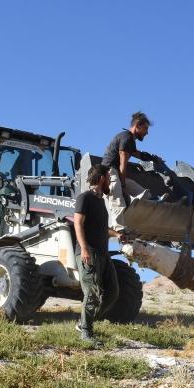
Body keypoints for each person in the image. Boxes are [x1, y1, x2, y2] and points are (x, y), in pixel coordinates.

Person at [73, 163, 120, 343]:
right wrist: (84, 248)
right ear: (101, 179)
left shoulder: (100, 201)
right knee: (92, 293)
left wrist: (118, 235)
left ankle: (84, 322)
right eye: (108, 178)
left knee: (113, 292)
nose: (110, 181)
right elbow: (78, 223)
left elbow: (101, 228)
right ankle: (86, 331)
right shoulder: (84, 198)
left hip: (103, 254)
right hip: (89, 252)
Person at [101, 111, 162, 231]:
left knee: (137, 188)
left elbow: (138, 154)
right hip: (109, 172)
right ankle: (119, 230)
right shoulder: (126, 137)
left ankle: (149, 200)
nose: (147, 133)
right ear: (137, 125)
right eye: (145, 129)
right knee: (117, 200)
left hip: (116, 173)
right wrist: (122, 184)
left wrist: (153, 158)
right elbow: (123, 164)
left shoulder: (129, 139)